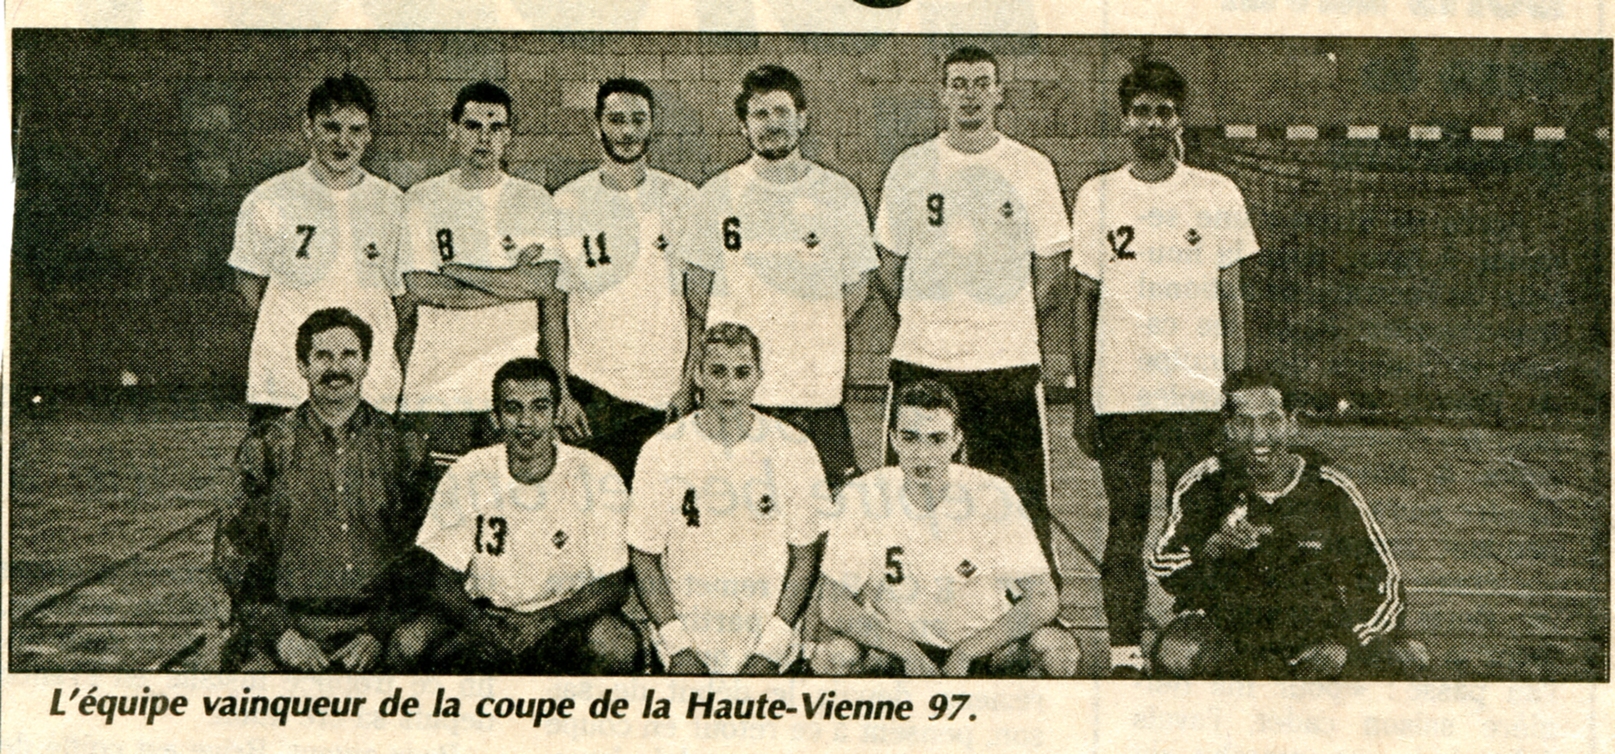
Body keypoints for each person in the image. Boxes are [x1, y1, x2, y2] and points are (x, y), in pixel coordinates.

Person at [1068, 60, 1260, 676]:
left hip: (1196, 397)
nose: (1153, 123)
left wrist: (1235, 392)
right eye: (1141, 112)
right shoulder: (1098, 195)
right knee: (1126, 524)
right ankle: (1124, 650)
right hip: (1122, 395)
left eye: (1165, 112)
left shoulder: (1216, 193)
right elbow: (1084, 301)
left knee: (1199, 524)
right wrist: (1082, 395)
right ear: (1124, 120)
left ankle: (1195, 641)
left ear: (1181, 120)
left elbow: (1230, 297)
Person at [872, 45, 1071, 574]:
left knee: (1019, 498)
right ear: (942, 94)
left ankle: (1033, 606)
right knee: (908, 494)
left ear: (1000, 93)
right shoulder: (912, 166)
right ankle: (903, 601)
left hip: (1005, 363)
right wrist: (927, 323)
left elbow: (1052, 271)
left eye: (982, 83)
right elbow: (887, 268)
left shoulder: (1031, 168)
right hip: (924, 360)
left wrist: (1006, 324)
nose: (970, 95)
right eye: (958, 84)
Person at [1147, 369, 1428, 680]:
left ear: (1291, 422)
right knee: (1177, 654)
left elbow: (1385, 582)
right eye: (1244, 423)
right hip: (1229, 631)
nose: (1259, 437)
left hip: (1314, 632)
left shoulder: (1328, 488)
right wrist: (1213, 546)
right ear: (1229, 428)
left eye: (1271, 421)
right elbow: (1163, 563)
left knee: (1409, 657)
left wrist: (1347, 644)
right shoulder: (1206, 482)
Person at [680, 64, 876, 492]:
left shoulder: (838, 194)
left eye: (782, 112)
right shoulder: (717, 194)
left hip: (813, 387)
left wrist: (805, 328)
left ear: (802, 118)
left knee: (822, 509)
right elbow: (698, 288)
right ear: (744, 125)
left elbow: (856, 288)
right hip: (740, 393)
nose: (772, 124)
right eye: (760, 114)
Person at [213, 307, 431, 672]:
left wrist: (379, 632)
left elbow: (424, 551)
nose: (336, 368)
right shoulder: (266, 446)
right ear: (302, 366)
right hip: (292, 626)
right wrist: (281, 635)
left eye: (349, 355)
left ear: (366, 364)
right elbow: (236, 553)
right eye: (323, 356)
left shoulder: (402, 446)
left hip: (378, 627)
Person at [814, 380, 1080, 678]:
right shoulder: (863, 495)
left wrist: (968, 651)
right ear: (894, 439)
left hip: (983, 646)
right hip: (898, 648)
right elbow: (833, 604)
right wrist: (906, 652)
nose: (923, 454)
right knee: (832, 656)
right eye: (910, 438)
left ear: (956, 441)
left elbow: (1043, 598)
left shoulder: (992, 495)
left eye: (937, 439)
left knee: (1057, 650)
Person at [399, 357, 639, 675]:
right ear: (496, 418)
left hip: (565, 617)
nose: (527, 422)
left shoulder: (595, 474)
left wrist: (545, 619)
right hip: (486, 615)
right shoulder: (470, 471)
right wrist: (481, 625)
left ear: (557, 413)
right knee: (408, 642)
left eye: (540, 407)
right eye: (513, 409)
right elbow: (440, 575)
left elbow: (613, 583)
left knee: (616, 644)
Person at [398, 80, 585, 485]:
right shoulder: (422, 199)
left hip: (514, 399)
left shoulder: (533, 199)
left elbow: (544, 286)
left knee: (509, 513)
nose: (484, 138)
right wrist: (513, 281)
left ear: (509, 135)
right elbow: (420, 288)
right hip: (438, 389)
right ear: (452, 130)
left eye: (496, 127)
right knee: (439, 514)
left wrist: (457, 270)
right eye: (473, 126)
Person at [627, 323, 829, 675]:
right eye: (718, 371)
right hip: (685, 649)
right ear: (698, 375)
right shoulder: (661, 451)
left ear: (759, 377)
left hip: (770, 651)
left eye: (742, 372)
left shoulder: (793, 448)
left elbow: (805, 557)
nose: (730, 386)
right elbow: (645, 555)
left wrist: (771, 648)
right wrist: (678, 646)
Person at [229, 74, 405, 425]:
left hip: (369, 387)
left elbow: (403, 297)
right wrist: (290, 334)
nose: (343, 141)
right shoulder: (269, 198)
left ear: (369, 135)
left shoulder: (392, 203)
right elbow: (248, 288)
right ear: (308, 127)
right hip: (284, 383)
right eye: (331, 127)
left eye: (356, 130)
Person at [551, 78, 700, 487]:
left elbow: (698, 305)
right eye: (616, 120)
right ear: (597, 125)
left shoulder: (682, 199)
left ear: (653, 124)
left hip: (665, 396)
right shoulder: (567, 202)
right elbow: (555, 307)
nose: (628, 131)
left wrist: (689, 385)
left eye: (638, 119)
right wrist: (562, 391)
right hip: (591, 394)